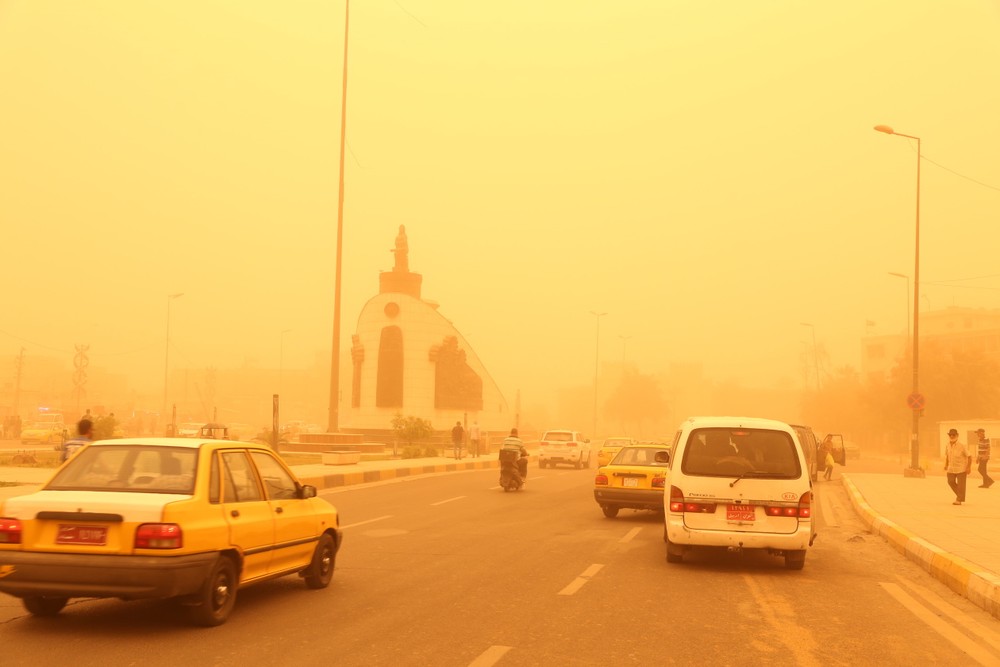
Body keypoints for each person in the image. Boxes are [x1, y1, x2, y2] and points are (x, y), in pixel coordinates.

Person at [945, 428, 972, 505]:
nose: (952, 436)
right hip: (951, 468)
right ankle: (961, 496)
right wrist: (946, 464)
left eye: (954, 435)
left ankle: (959, 499)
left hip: (961, 468)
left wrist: (968, 467)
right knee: (950, 481)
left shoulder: (962, 445)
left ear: (957, 435)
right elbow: (947, 455)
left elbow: (969, 456)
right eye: (950, 435)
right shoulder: (947, 445)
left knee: (961, 485)